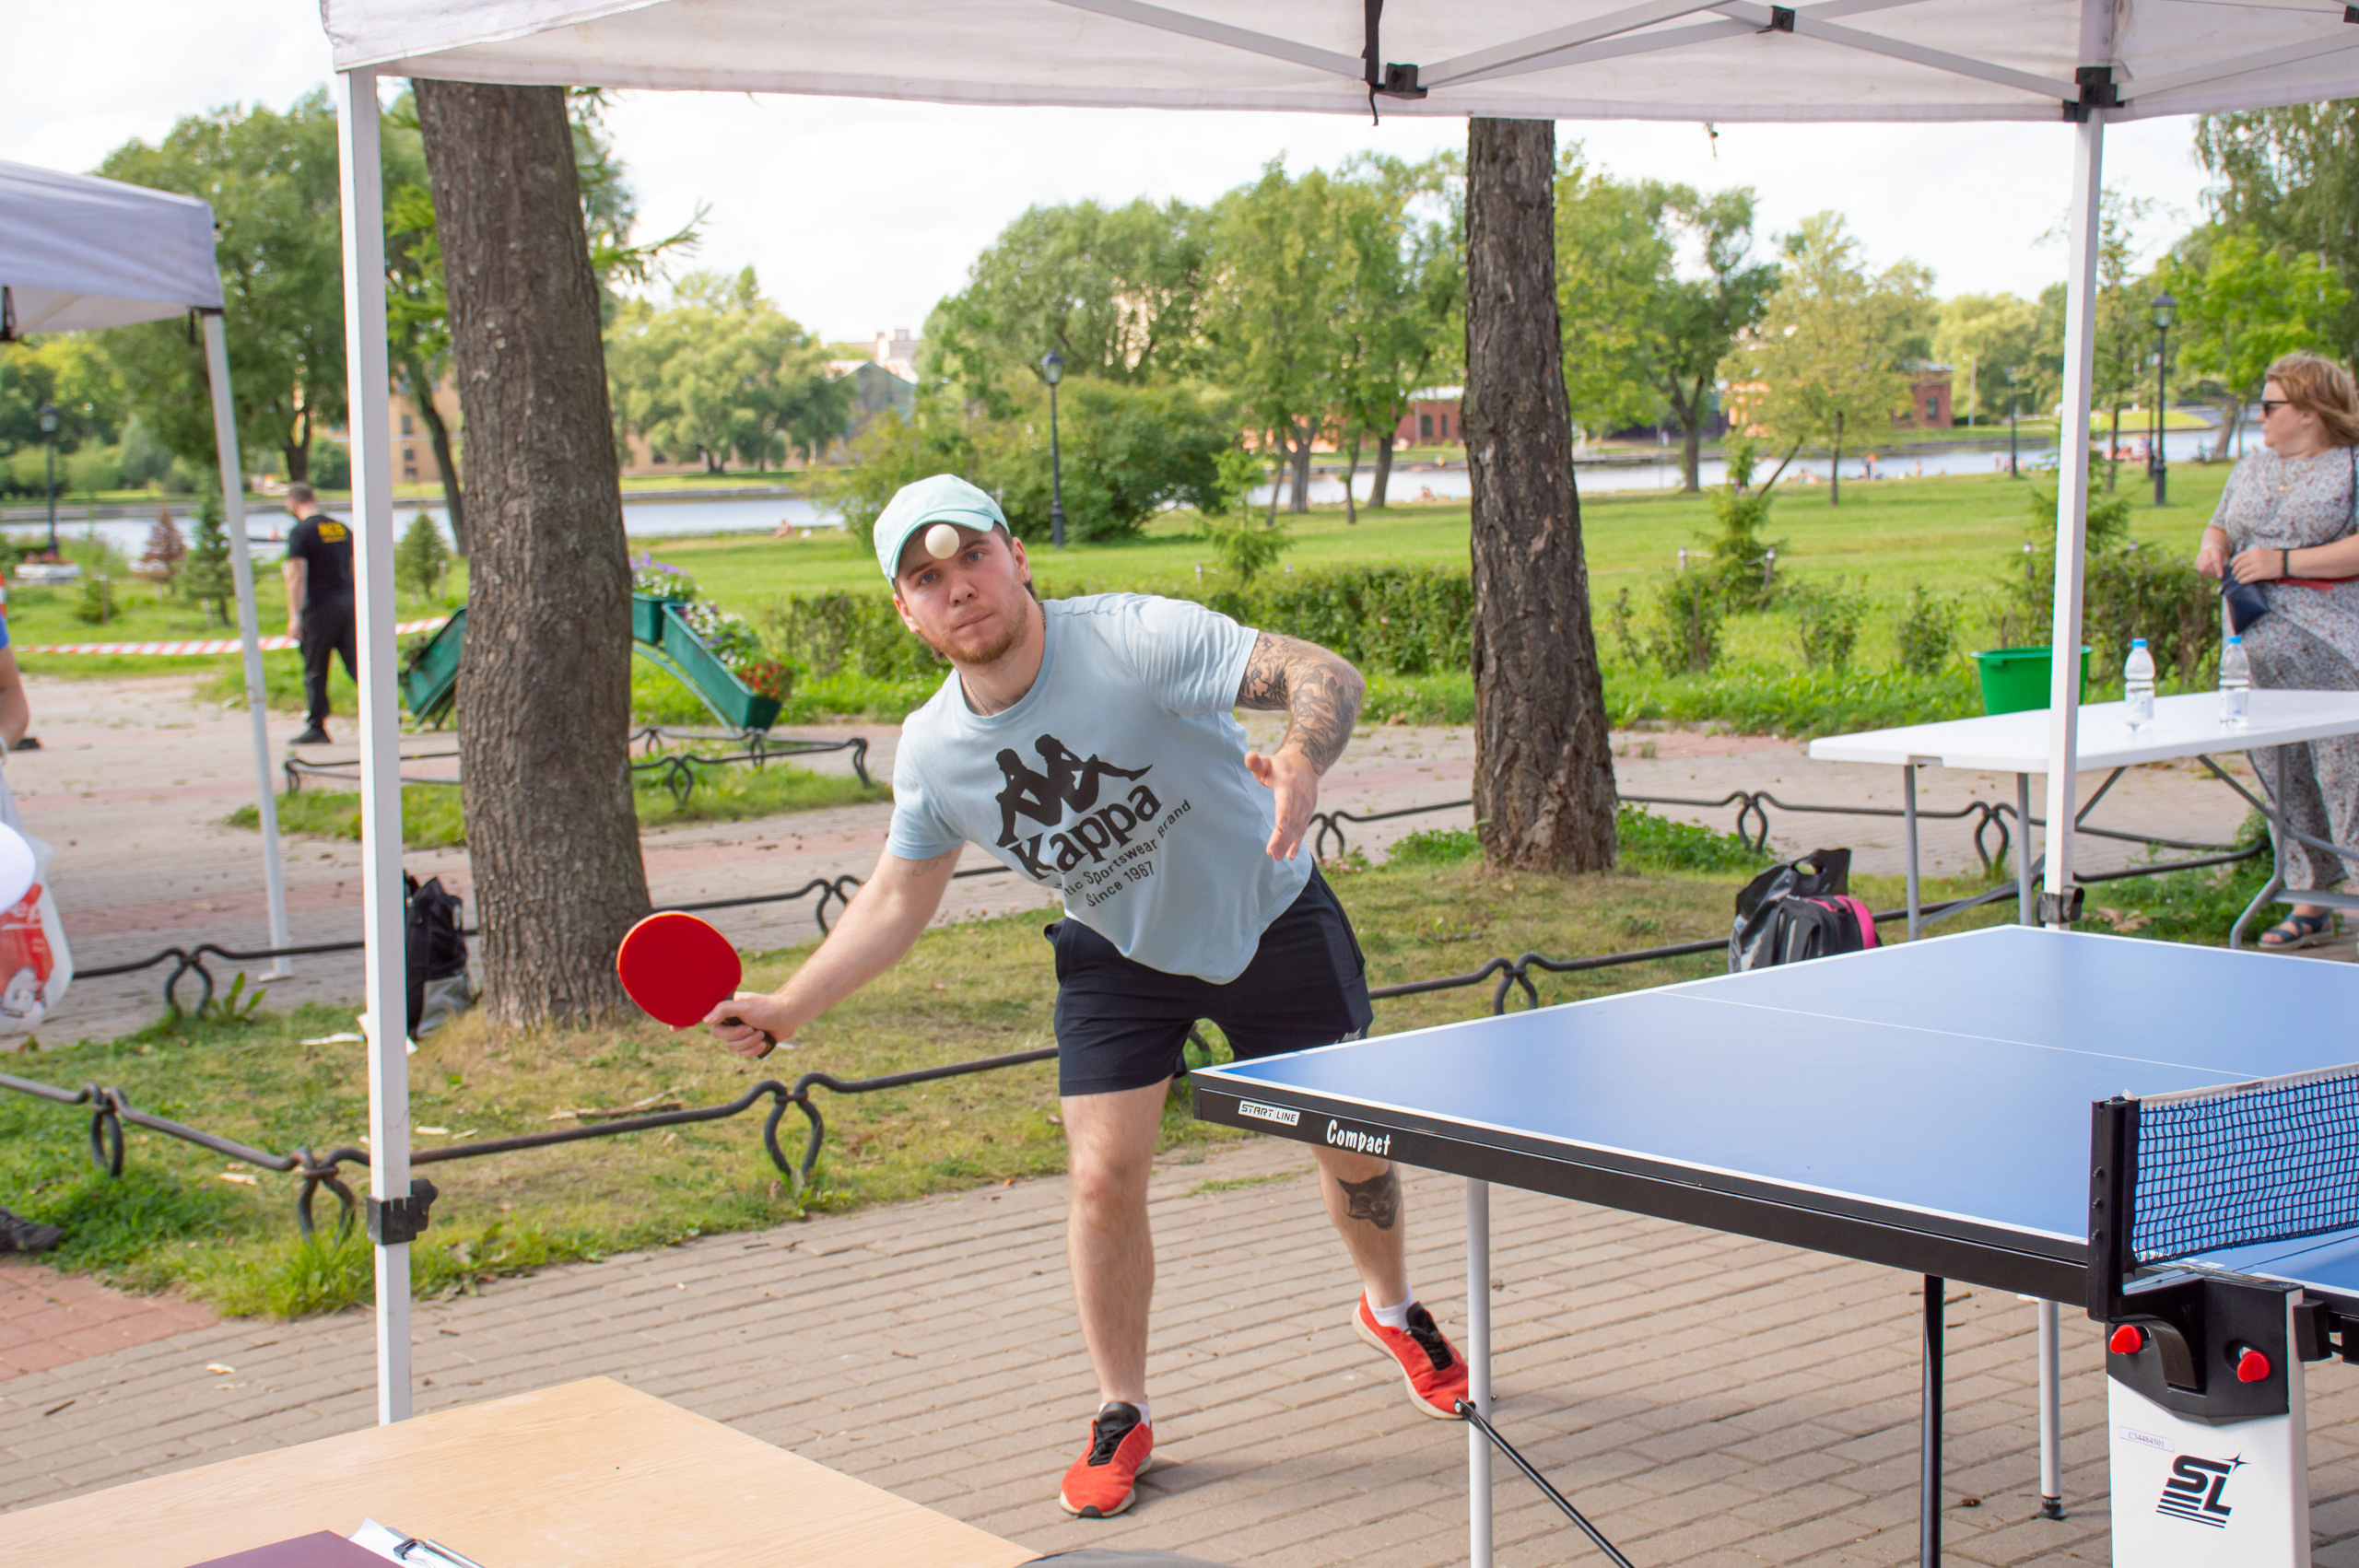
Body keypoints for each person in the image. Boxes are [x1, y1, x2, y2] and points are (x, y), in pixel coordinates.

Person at [704, 475, 1469, 1519]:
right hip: (1116, 952)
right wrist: (789, 1005)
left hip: (1268, 908)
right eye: (927, 577)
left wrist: (1298, 753)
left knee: (1349, 1146)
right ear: (906, 610)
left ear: (1015, 556)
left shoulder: (1132, 638)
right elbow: (897, 894)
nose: (958, 587)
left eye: (971, 557)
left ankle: (1392, 1308)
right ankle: (1122, 1409)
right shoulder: (933, 750)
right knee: (1102, 1178)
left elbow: (1318, 670)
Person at [2195, 352, 2359, 949]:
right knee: (2281, 774)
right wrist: (2213, 548)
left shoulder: (2351, 466)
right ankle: (2310, 901)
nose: (2259, 416)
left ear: (2311, 411)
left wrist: (2282, 562)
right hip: (2252, 642)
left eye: (2270, 405)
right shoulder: (2252, 466)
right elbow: (2220, 524)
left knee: (2349, 773)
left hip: (2337, 646)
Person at [281, 483, 357, 747]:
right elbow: (354, 566)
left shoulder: (301, 533)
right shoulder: (340, 528)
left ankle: (316, 727)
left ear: (292, 503)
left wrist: (295, 615)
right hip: (348, 605)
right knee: (358, 665)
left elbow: (296, 575)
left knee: (315, 669)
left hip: (319, 608)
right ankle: (386, 713)